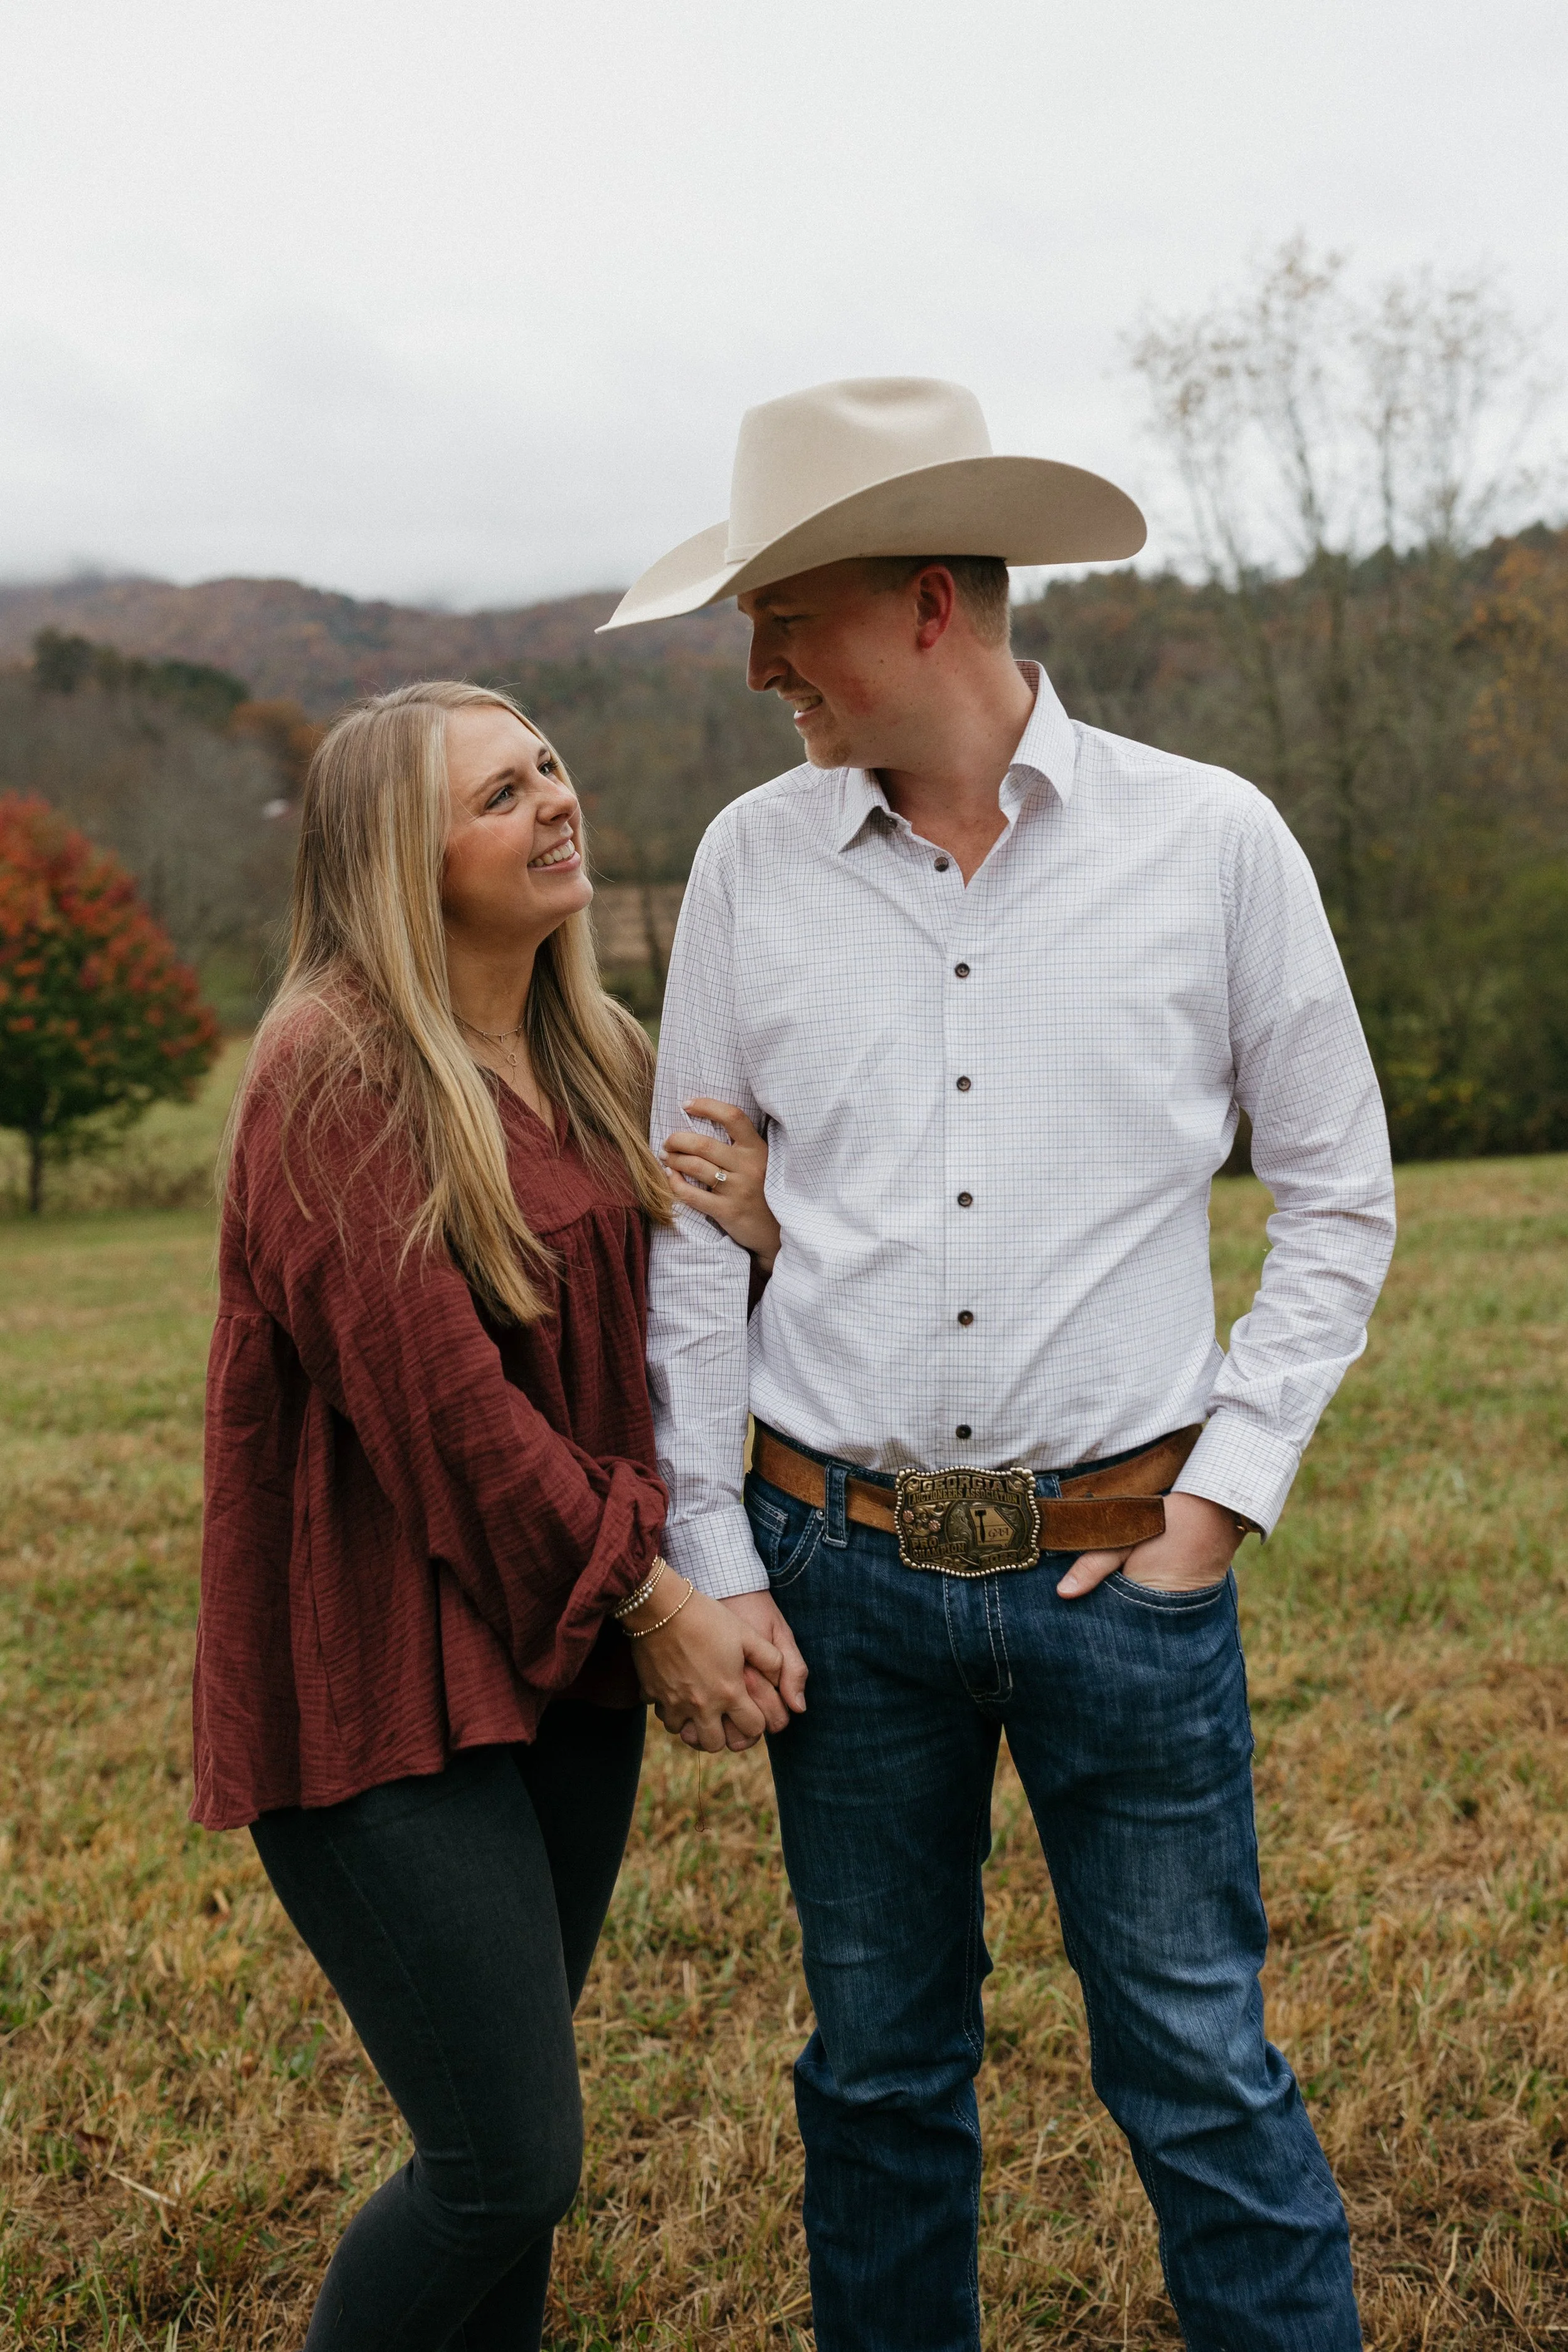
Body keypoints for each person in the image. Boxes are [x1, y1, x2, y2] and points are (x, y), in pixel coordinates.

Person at [609, 378, 1397, 2351]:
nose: (759, 654)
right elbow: (697, 1235)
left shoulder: (1210, 842)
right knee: (874, 2081)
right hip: (837, 1578)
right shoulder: (745, 865)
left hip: (1119, 1573)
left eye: (787, 607)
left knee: (1202, 2075)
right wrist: (708, 1541)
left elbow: (1338, 1198)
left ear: (932, 604)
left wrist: (1215, 1506)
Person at [191, 680, 785, 2352]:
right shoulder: (329, 1071)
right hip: (385, 1690)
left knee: (506, 2162)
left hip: (553, 1673)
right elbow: (445, 1412)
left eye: (548, 768)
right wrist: (658, 1603)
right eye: (496, 795)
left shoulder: (599, 1055)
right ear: (401, 858)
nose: (552, 803)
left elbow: (679, 1332)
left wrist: (769, 1229)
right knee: (500, 2165)